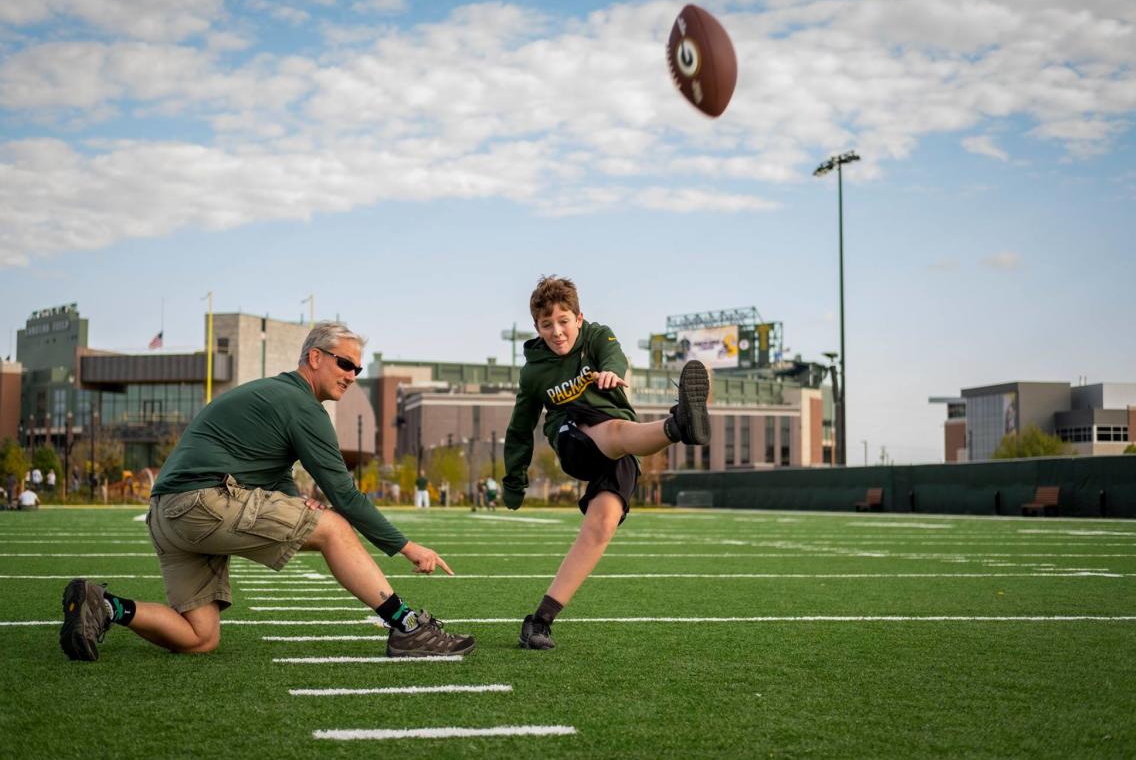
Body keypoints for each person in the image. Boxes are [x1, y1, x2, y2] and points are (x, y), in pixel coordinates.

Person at [59, 321, 474, 662]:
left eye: (358, 369)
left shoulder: (272, 395)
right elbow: (344, 495)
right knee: (334, 527)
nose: (352, 375)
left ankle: (106, 606)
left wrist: (294, 500)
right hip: (202, 503)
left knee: (199, 637)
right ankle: (407, 627)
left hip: (167, 514)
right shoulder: (302, 406)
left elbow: (268, 467)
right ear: (315, 358)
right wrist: (406, 547)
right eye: (346, 363)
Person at [503, 275, 710, 650]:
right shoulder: (534, 371)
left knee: (601, 526)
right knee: (615, 431)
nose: (557, 331)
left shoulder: (597, 336)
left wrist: (614, 370)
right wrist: (514, 480)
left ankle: (540, 621)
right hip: (573, 436)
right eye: (547, 325)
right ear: (536, 327)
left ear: (579, 318)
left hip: (618, 438)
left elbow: (613, 354)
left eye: (564, 321)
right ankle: (678, 424)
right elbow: (520, 428)